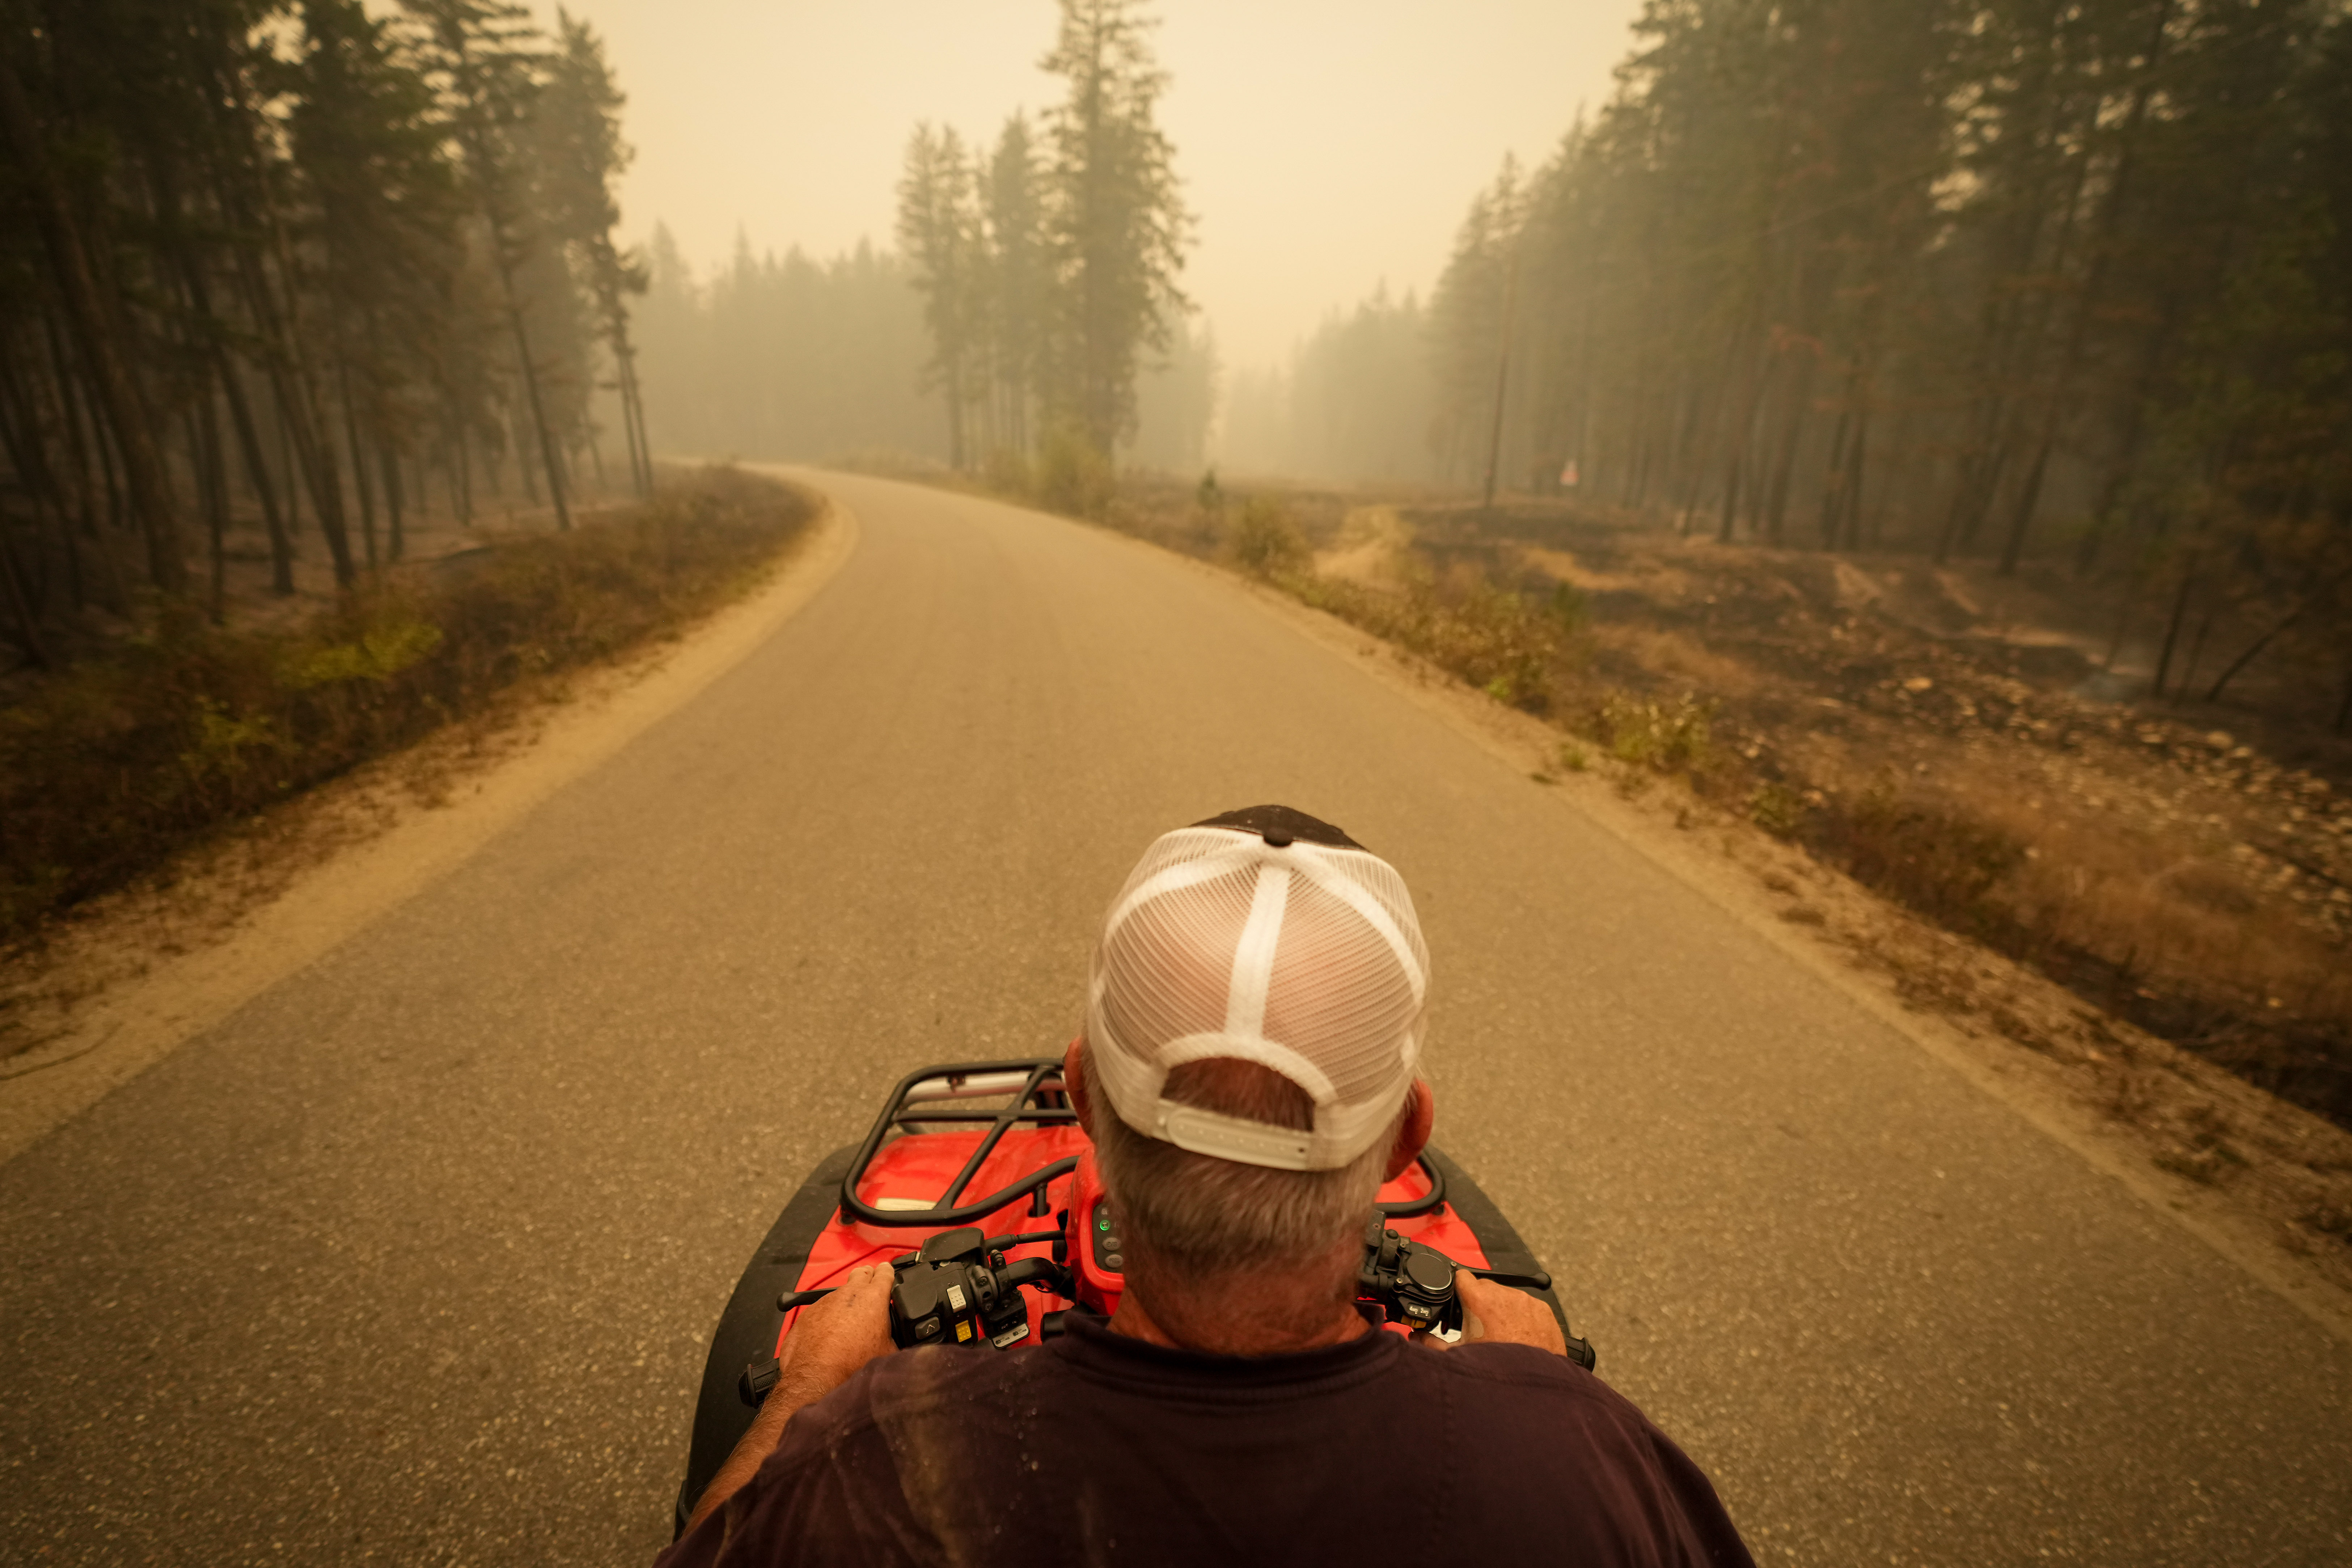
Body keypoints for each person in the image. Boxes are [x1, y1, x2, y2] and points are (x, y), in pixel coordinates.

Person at [659, 805, 1755, 1567]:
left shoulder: (863, 1475)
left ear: (1082, 1096)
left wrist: (811, 1397)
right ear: (1401, 1140)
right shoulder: (1584, 1471)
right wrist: (1546, 1398)